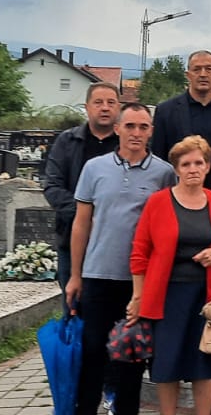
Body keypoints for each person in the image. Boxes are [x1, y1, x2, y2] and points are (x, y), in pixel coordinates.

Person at [65, 103, 177, 415]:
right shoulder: (94, 168)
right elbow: (81, 223)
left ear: (151, 131)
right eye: (130, 126)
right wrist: (75, 274)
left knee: (132, 354)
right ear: (117, 129)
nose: (136, 133)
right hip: (98, 274)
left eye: (143, 127)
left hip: (139, 281)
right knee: (93, 351)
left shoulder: (164, 173)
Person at [130, 135, 211, 415]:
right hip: (167, 297)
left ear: (207, 167)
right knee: (167, 363)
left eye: (199, 163)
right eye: (186, 164)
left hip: (208, 298)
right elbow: (140, 252)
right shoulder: (158, 202)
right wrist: (138, 296)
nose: (193, 169)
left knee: (205, 363)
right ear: (176, 169)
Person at [43, 82, 121, 290]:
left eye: (111, 102)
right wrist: (85, 215)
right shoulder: (67, 141)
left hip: (117, 241)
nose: (105, 108)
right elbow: (52, 186)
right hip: (72, 237)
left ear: (119, 107)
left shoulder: (127, 143)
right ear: (87, 107)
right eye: (98, 102)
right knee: (74, 301)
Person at [150, 50, 211, 191]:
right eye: (197, 69)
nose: (203, 74)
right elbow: (158, 157)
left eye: (208, 69)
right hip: (178, 190)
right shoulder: (165, 111)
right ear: (188, 75)